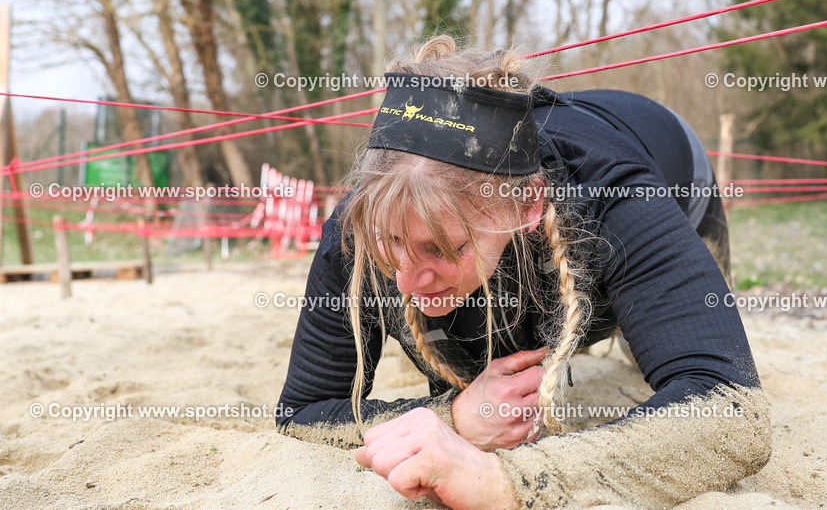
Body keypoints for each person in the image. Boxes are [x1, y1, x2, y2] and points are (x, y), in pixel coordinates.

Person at [276, 36, 771, 508]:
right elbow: (300, 413)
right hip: (520, 237)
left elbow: (732, 411)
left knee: (653, 358)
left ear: (528, 205)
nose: (405, 281)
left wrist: (503, 483)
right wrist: (455, 417)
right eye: (394, 242)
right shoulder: (358, 225)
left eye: (442, 247)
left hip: (665, 158)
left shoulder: (616, 194)